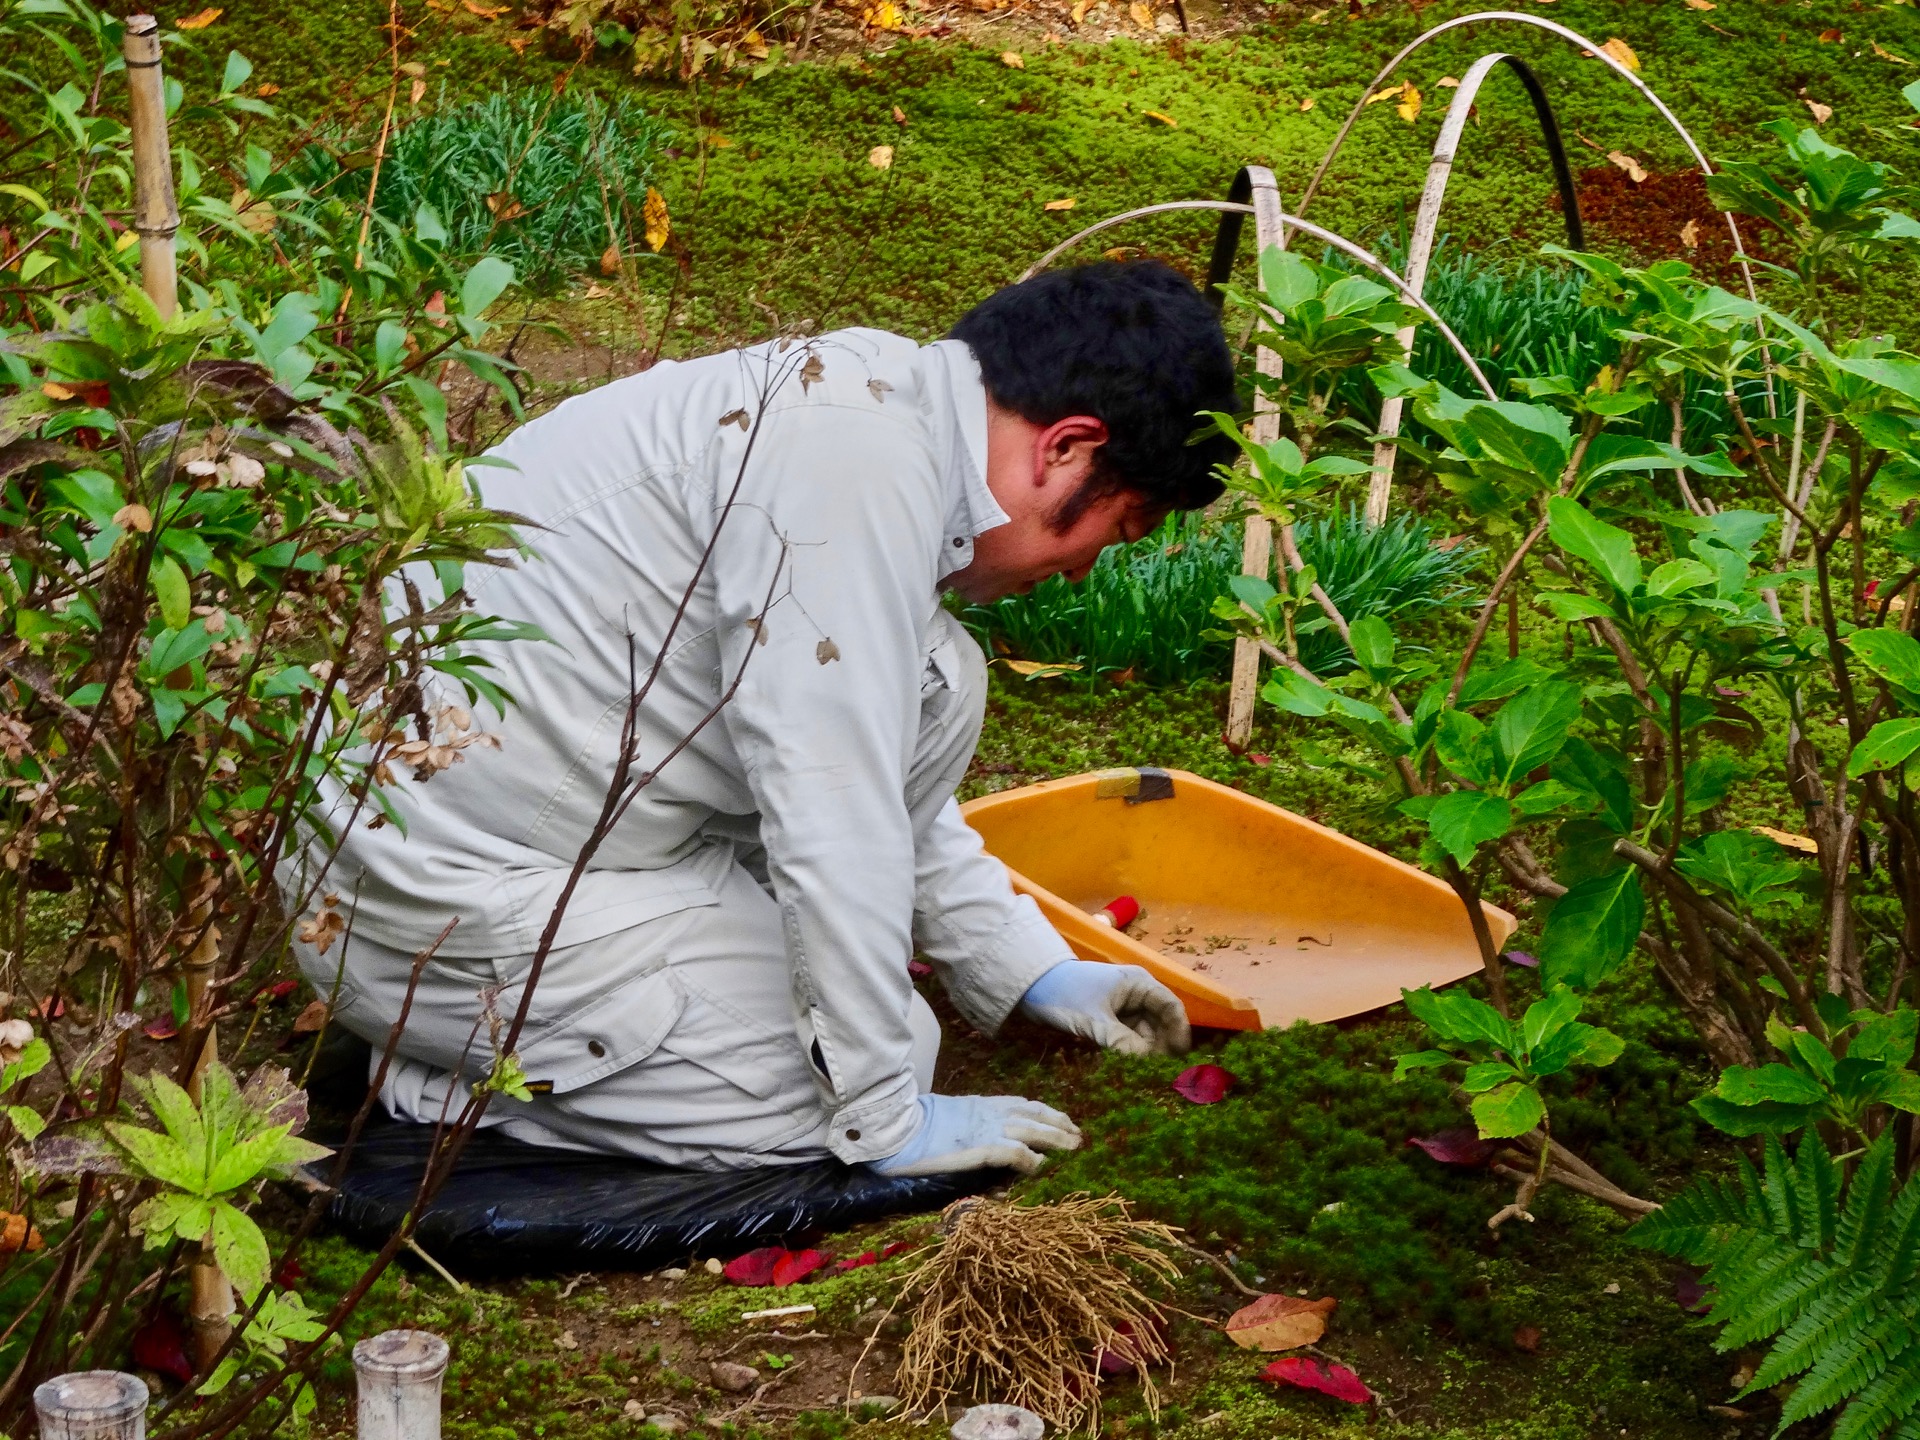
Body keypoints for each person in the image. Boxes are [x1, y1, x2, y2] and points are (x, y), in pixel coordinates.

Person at [284, 261, 1238, 1176]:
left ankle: (497, 1043)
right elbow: (832, 803)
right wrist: (883, 1115)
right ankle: (451, 1081)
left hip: (526, 851)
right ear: (1066, 446)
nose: (1084, 569)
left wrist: (1024, 966)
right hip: (439, 902)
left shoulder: (872, 410)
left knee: (939, 675)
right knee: (877, 1060)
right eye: (1118, 527)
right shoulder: (855, 468)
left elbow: (869, 766)